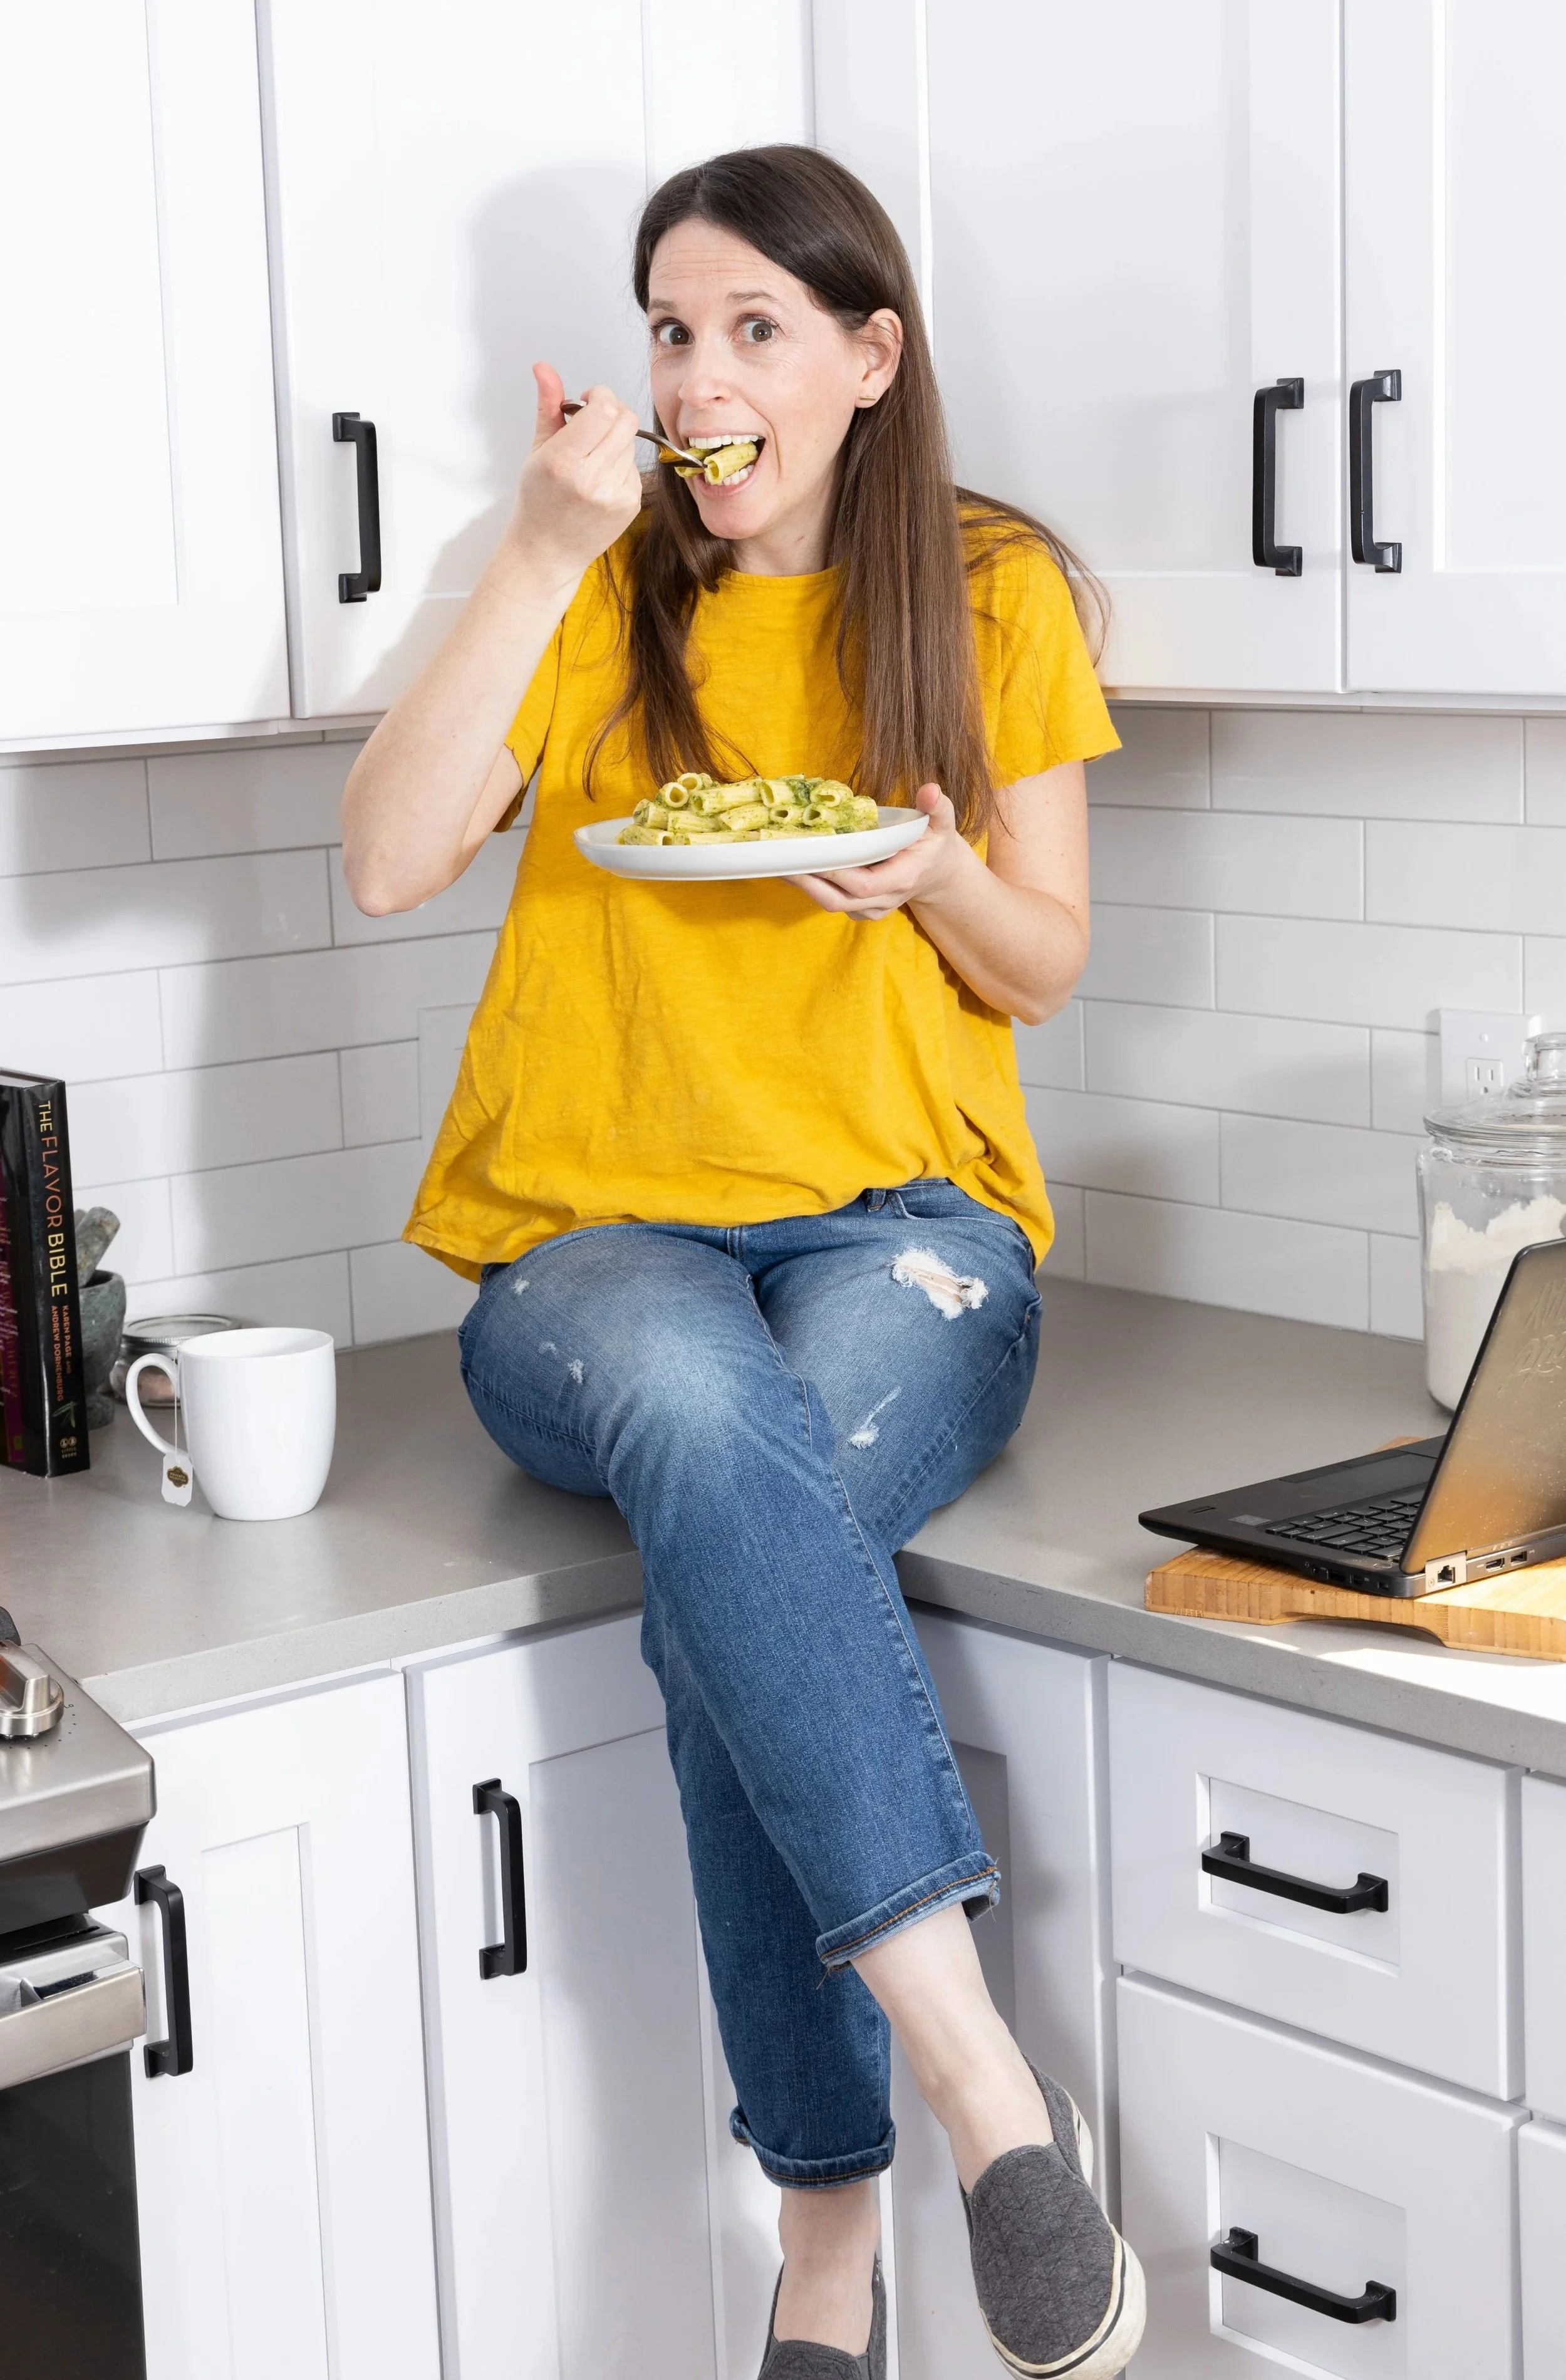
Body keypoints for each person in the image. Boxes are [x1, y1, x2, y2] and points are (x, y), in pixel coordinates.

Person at [344, 143, 1144, 2380]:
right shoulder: (590, 580)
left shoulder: (990, 599)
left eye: (754, 331)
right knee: (715, 1431)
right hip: (585, 1253)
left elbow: (1049, 961)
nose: (699, 379)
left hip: (913, 1236)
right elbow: (394, 855)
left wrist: (926, 873)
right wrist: (534, 544)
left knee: (735, 1544)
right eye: (671, 330)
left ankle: (820, 2246)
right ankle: (986, 2099)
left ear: (868, 359)